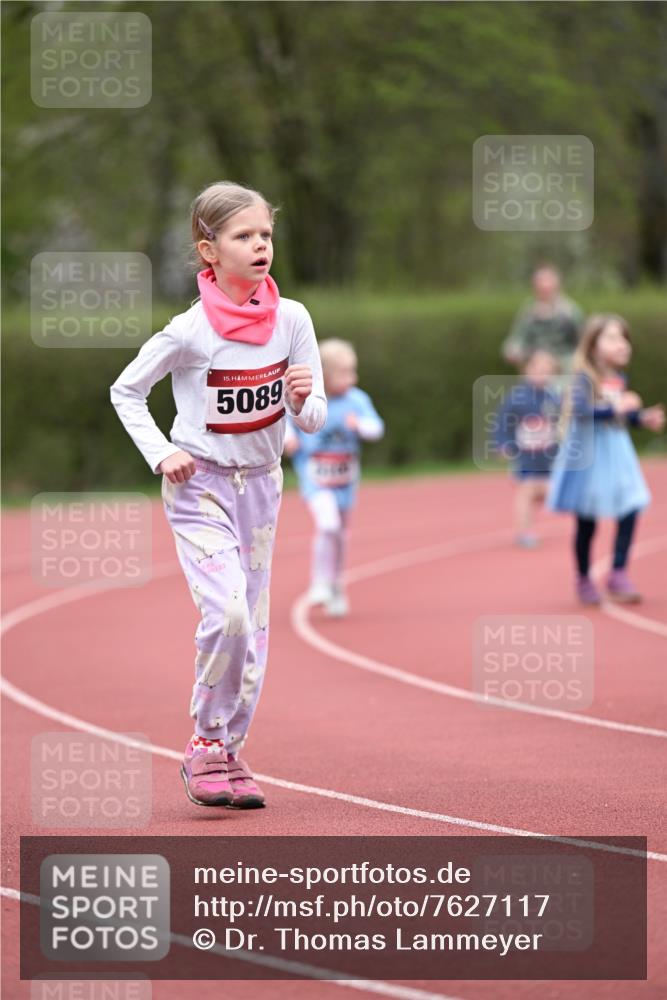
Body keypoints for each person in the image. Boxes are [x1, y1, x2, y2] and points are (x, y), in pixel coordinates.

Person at [110, 181, 326, 808]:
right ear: (210, 250)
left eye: (266, 235)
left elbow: (310, 424)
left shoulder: (293, 319)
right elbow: (127, 391)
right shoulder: (190, 331)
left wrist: (301, 397)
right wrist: (162, 451)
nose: (260, 245)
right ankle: (205, 744)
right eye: (244, 236)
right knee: (228, 613)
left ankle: (230, 751)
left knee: (253, 629)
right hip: (199, 486)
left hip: (261, 487)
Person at [547, 314, 664, 605]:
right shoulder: (583, 378)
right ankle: (584, 577)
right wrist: (618, 409)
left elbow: (620, 413)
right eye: (612, 337)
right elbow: (584, 411)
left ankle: (619, 571)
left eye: (623, 337)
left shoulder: (618, 377)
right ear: (592, 344)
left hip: (617, 452)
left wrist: (641, 417)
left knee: (631, 504)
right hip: (590, 456)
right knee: (587, 520)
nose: (621, 343)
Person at [284, 338, 384, 617]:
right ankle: (319, 582)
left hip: (345, 480)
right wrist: (289, 439)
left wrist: (360, 426)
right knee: (327, 525)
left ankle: (337, 584)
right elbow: (285, 420)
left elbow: (377, 428)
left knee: (340, 534)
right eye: (345, 372)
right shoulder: (309, 397)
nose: (352, 378)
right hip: (314, 477)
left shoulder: (357, 400)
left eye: (353, 371)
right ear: (324, 375)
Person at [493, 350, 561, 548]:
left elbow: (561, 425)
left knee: (546, 492)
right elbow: (502, 422)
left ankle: (531, 517)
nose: (542, 374)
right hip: (525, 456)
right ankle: (524, 531)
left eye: (547, 371)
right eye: (538, 369)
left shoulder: (554, 398)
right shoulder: (517, 398)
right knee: (527, 491)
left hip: (547, 456)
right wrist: (503, 444)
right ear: (527, 370)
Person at [502, 264, 583, 370]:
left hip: (564, 369)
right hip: (534, 366)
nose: (544, 285)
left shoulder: (571, 312)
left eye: (548, 281)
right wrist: (514, 350)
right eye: (540, 281)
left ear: (557, 285)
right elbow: (516, 339)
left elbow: (583, 346)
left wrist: (557, 361)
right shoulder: (528, 311)